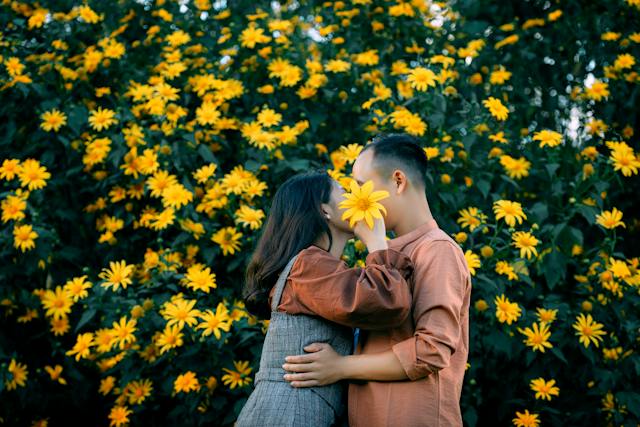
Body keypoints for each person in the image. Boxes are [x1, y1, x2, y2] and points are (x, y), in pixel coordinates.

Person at [282, 134, 472, 427]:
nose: (354, 199)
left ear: (397, 181)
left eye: (360, 187)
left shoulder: (437, 250)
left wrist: (340, 367)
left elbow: (431, 350)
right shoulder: (386, 254)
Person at [235, 170, 414, 427]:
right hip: (289, 415)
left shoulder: (315, 268)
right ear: (325, 211)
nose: (354, 195)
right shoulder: (308, 266)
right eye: (343, 191)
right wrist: (376, 243)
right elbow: (387, 303)